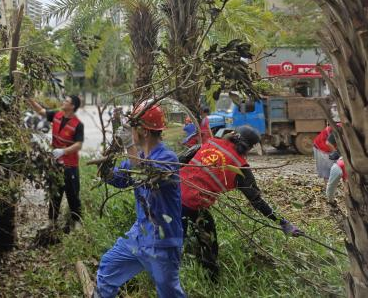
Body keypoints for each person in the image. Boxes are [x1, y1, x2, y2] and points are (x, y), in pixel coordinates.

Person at [180, 126, 303, 282]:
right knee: (208, 245)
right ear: (250, 147)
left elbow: (180, 160)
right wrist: (282, 222)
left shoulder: (211, 143)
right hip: (192, 204)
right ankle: (212, 282)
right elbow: (257, 201)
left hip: (173, 194)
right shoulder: (240, 167)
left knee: (175, 237)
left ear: (232, 135)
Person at [95, 102, 186, 298]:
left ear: (144, 132)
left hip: (163, 242)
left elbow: (143, 174)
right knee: (107, 269)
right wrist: (106, 169)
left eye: (133, 128)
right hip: (139, 236)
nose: (130, 132)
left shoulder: (167, 158)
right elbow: (121, 178)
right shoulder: (138, 157)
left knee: (169, 293)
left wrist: (129, 146)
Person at [28, 95, 84, 230]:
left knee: (72, 194)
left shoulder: (78, 124)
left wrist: (63, 152)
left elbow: (78, 145)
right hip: (56, 164)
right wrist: (29, 99)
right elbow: (41, 111)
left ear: (72, 106)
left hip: (70, 165)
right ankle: (52, 221)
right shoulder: (57, 115)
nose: (63, 102)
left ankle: (77, 222)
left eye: (66, 101)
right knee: (55, 193)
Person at [325, 132, 346, 204]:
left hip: (339, 165)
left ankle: (330, 200)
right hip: (341, 165)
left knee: (331, 185)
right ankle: (330, 201)